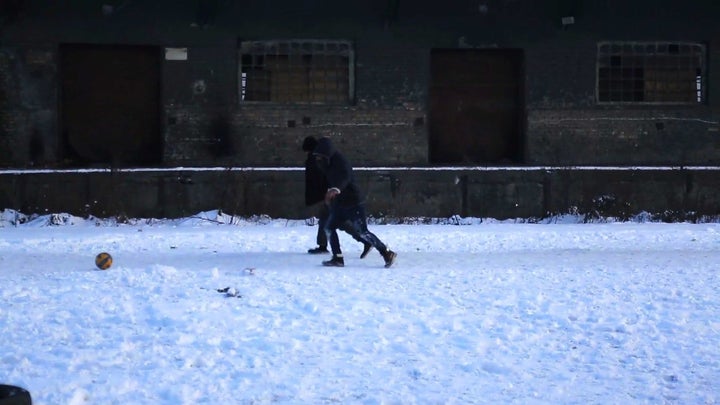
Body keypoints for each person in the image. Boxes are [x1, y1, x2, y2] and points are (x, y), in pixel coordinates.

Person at [312, 136, 397, 268]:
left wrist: (336, 189)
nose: (317, 161)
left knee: (363, 231)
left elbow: (345, 177)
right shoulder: (327, 165)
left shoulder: (341, 162)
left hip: (353, 203)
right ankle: (337, 258)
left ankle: (386, 253)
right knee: (329, 228)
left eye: (319, 157)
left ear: (325, 155)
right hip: (339, 204)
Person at [302, 136, 372, 258]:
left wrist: (330, 192)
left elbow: (323, 179)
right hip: (328, 195)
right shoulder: (321, 158)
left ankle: (363, 241)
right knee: (327, 221)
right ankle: (324, 246)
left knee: (337, 223)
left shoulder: (320, 160)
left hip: (331, 195)